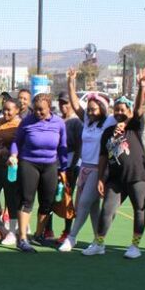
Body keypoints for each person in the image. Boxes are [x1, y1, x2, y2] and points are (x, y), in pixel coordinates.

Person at [91, 72, 145, 258]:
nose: (119, 113)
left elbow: (139, 107)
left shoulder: (134, 126)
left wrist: (141, 87)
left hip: (139, 176)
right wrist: (100, 178)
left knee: (139, 209)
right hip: (116, 178)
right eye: (116, 110)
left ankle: (135, 246)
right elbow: (103, 157)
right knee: (107, 210)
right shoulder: (108, 131)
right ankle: (99, 243)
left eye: (122, 110)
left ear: (129, 111)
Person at [58, 69, 117, 252]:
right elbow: (75, 103)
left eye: (94, 109)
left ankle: (72, 238)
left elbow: (127, 114)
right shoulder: (87, 121)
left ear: (103, 109)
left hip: (98, 169)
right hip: (84, 167)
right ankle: (99, 243)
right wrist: (71, 81)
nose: (90, 112)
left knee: (83, 203)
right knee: (92, 208)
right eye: (89, 109)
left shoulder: (108, 122)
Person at [10, 93, 68, 253]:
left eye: (41, 109)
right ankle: (22, 239)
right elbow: (16, 142)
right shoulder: (26, 122)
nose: (38, 112)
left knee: (47, 202)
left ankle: (38, 235)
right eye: (35, 109)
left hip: (50, 165)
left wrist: (63, 169)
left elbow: (62, 147)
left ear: (49, 108)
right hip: (29, 163)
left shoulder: (59, 123)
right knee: (26, 200)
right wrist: (13, 155)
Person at [0, 98, 22, 246]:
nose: (6, 112)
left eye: (9, 110)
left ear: (17, 110)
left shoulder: (21, 124)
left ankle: (12, 231)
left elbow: (22, 145)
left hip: (11, 168)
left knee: (11, 200)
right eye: (4, 109)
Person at [50, 91, 83, 243]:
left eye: (66, 102)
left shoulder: (76, 122)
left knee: (67, 198)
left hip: (70, 163)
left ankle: (67, 231)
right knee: (50, 196)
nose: (63, 105)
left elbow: (79, 146)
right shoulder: (56, 119)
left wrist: (72, 166)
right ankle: (47, 230)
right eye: (61, 102)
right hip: (54, 163)